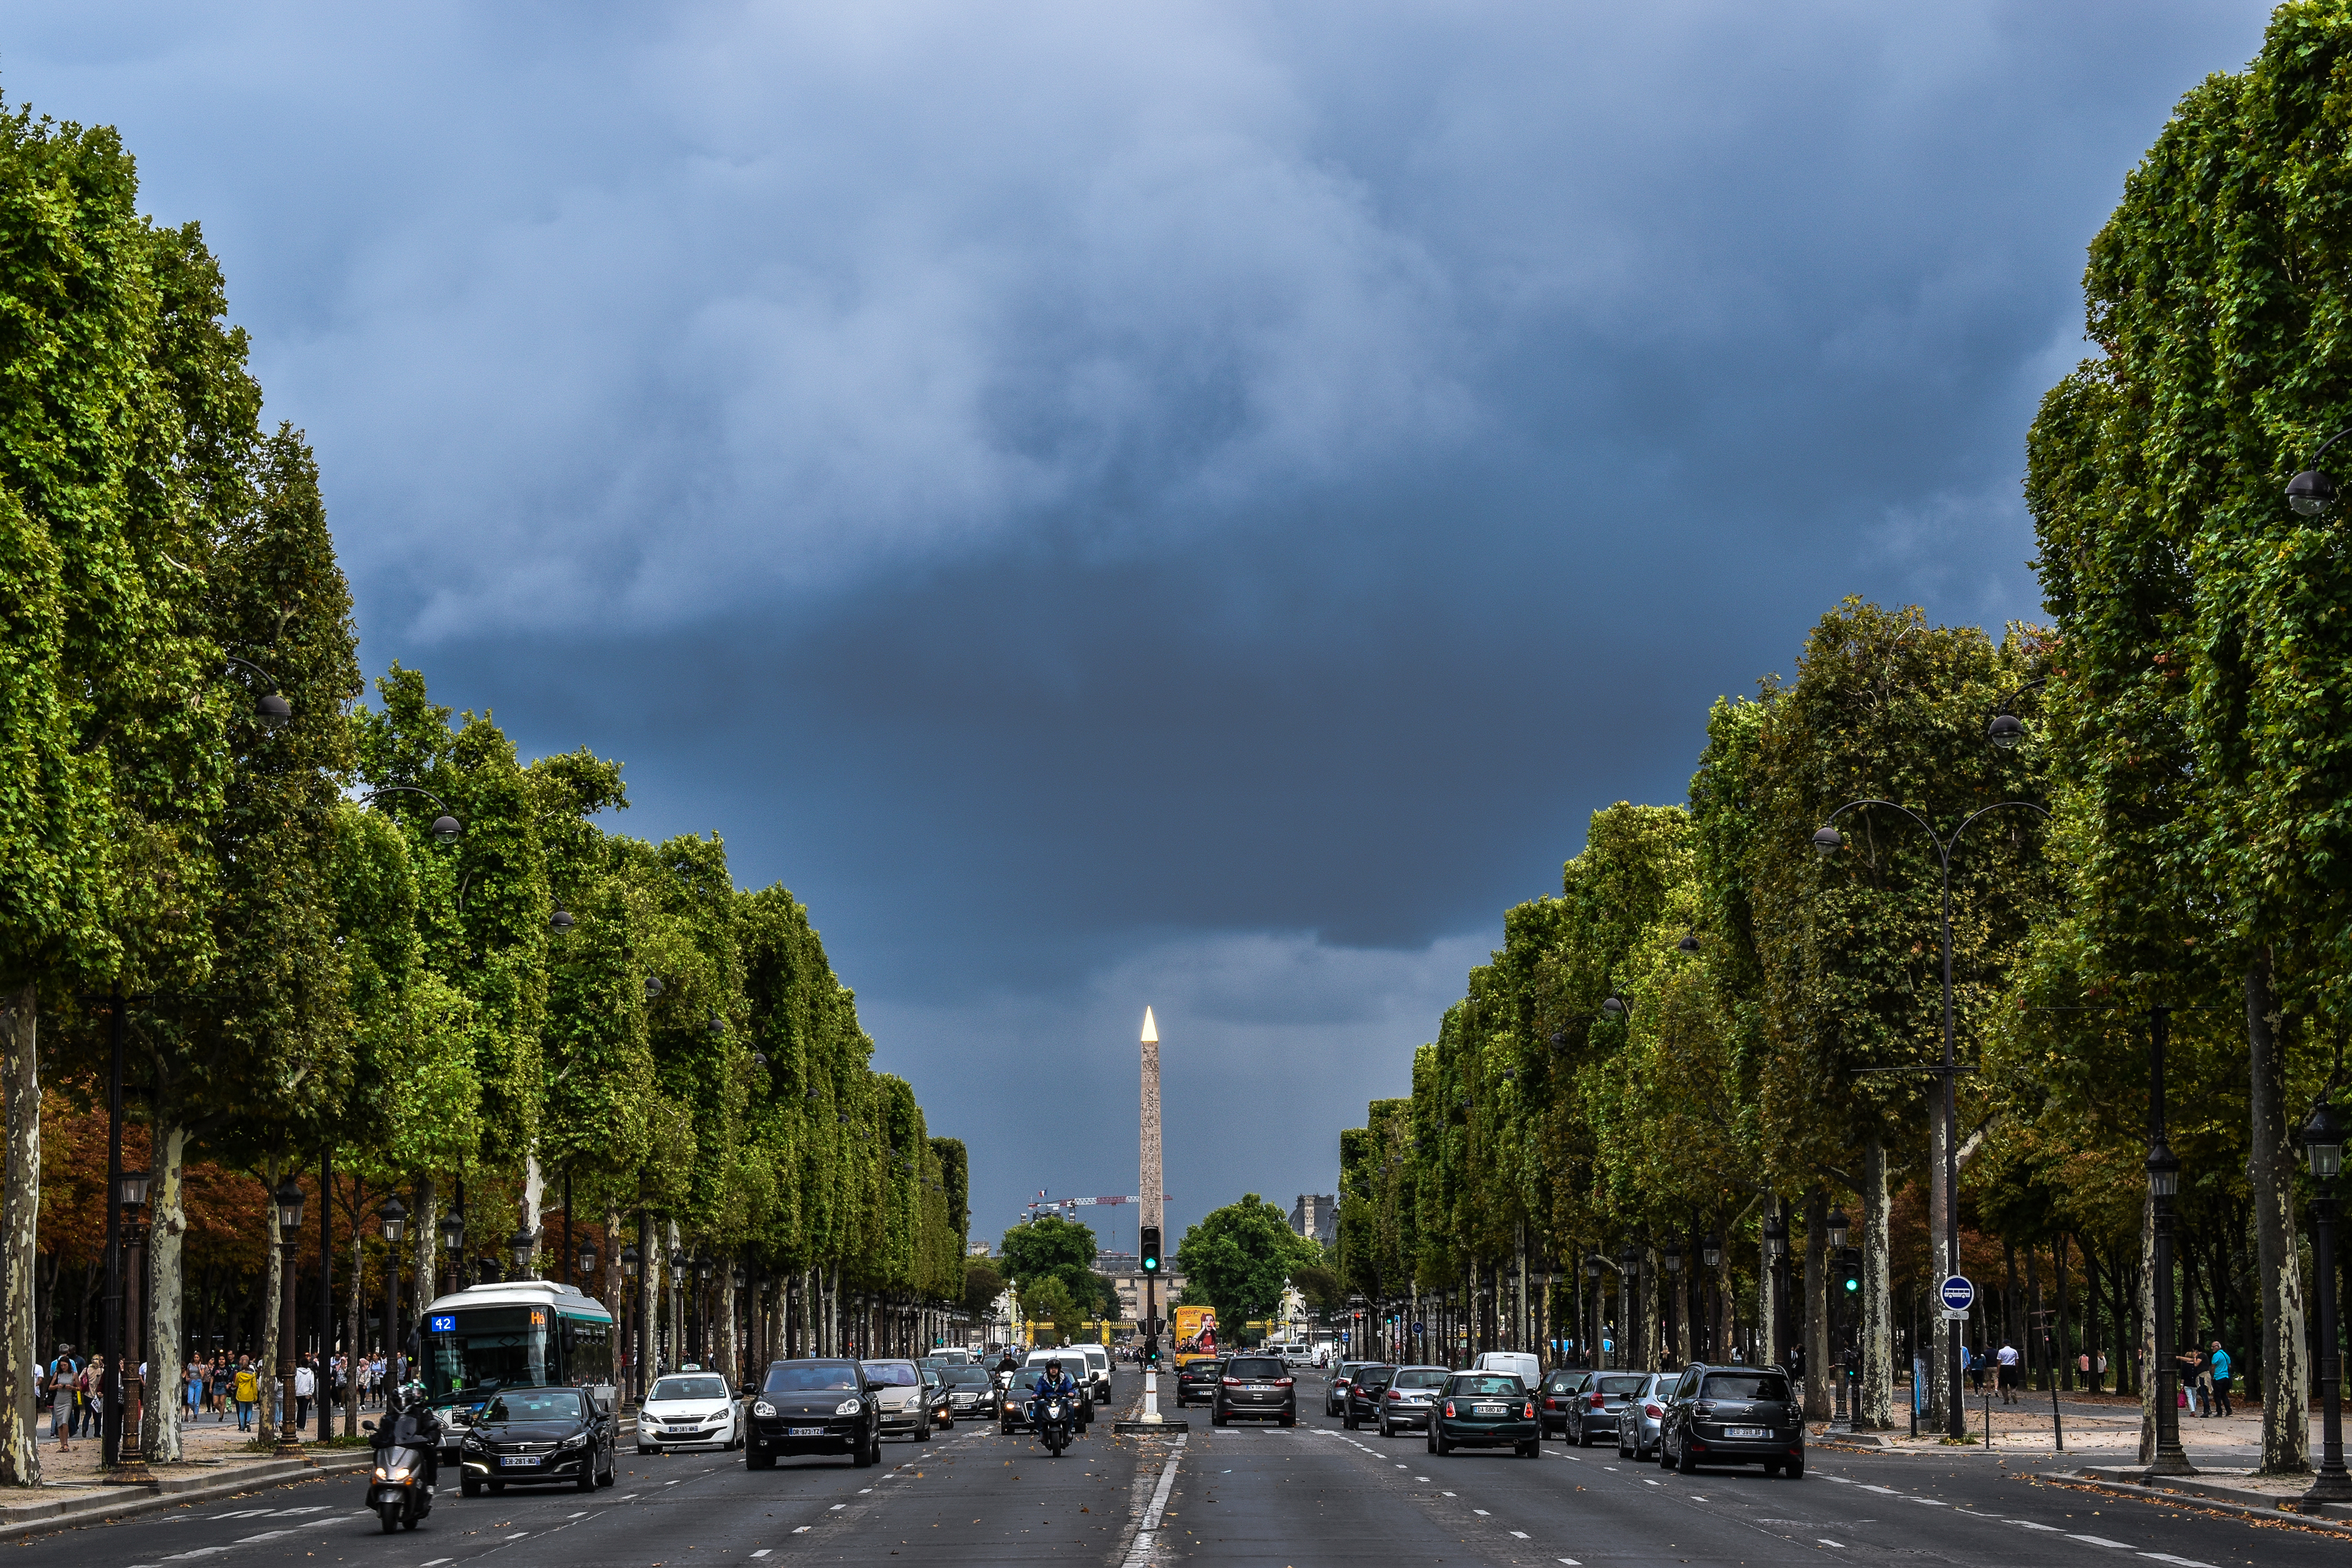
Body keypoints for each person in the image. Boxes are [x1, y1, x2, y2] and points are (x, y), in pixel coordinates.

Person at [1028, 1356, 1080, 1426]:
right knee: (1036, 1406)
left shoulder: (1064, 1378)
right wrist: (1035, 1395)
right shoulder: (1042, 1378)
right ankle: (1041, 1431)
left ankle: (1068, 1430)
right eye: (1052, 1368)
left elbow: (1070, 1388)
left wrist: (1071, 1393)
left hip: (1061, 1400)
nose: (1054, 1370)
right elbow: (1038, 1389)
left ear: (1059, 1369)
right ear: (1048, 1369)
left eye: (1055, 1368)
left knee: (1070, 1406)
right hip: (1046, 1400)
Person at [45, 1345, 74, 1451]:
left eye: (65, 1365)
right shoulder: (57, 1374)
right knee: (59, 1423)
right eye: (61, 1365)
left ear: (68, 1365)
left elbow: (79, 1387)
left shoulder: (73, 1374)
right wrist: (57, 1386)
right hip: (58, 1400)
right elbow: (50, 1387)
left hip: (67, 1400)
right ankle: (62, 1444)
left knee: (65, 1421)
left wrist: (71, 1387)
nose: (63, 1367)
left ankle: (66, 1443)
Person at [2209, 1340, 2233, 1417]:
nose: (2212, 1348)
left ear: (2218, 1347)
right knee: (2223, 1394)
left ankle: (2219, 1412)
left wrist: (2211, 1376)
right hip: (2226, 1376)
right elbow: (2229, 1366)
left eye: (2214, 1346)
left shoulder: (2216, 1355)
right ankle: (2228, 1410)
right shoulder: (2226, 1355)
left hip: (2218, 1377)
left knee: (2217, 1395)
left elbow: (2213, 1366)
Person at [234, 1357, 260, 1431]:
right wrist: (256, 1396)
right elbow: (254, 1386)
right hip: (250, 1394)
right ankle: (248, 1422)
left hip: (241, 1394)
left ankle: (242, 1427)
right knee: (249, 1409)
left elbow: (236, 1384)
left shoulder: (239, 1374)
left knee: (242, 1411)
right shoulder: (252, 1375)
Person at [1995, 1340, 2020, 1404]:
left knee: (2003, 1385)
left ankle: (2006, 1399)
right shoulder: (2014, 1351)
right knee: (2013, 1383)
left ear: (2004, 1344)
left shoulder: (2001, 1351)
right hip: (2012, 1367)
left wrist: (1998, 1371)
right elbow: (2017, 1361)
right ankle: (2013, 1392)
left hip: (2004, 1367)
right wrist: (2016, 1369)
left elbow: (1999, 1362)